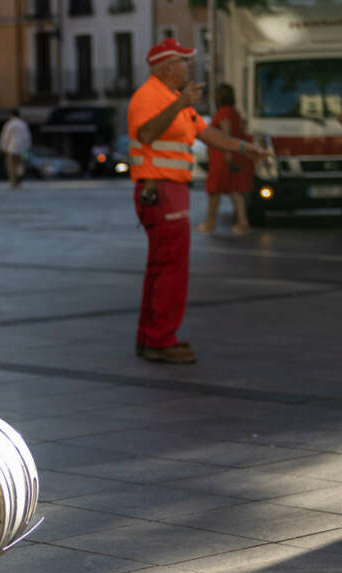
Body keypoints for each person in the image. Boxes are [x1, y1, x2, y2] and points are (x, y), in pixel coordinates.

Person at [128, 37, 270, 364]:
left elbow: (207, 133)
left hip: (167, 191)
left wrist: (245, 149)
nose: (189, 66)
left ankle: (150, 337)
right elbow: (146, 134)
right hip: (159, 190)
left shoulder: (174, 99)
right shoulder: (149, 97)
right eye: (184, 61)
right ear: (166, 68)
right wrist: (178, 105)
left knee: (161, 267)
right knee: (171, 269)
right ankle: (161, 341)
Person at [196, 83, 255, 236]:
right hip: (231, 156)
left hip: (222, 158)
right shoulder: (234, 112)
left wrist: (228, 154)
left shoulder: (223, 112)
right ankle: (242, 222)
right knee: (235, 189)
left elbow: (226, 133)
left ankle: (210, 223)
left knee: (215, 190)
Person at [0, 109, 32, 188]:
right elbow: (27, 137)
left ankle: (13, 182)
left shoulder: (9, 124)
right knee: (21, 166)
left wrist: (2, 147)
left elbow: (5, 136)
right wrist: (28, 147)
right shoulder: (23, 124)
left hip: (11, 148)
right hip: (23, 150)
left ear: (11, 115)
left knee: (11, 166)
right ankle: (19, 181)